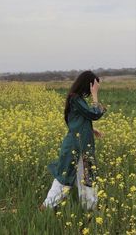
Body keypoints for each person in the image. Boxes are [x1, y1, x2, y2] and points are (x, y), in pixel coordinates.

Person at [40, 70, 107, 212]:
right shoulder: (75, 98)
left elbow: (76, 120)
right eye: (93, 87)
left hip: (83, 146)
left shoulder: (77, 99)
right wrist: (95, 94)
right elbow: (94, 114)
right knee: (64, 179)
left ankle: (91, 211)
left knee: (88, 180)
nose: (92, 91)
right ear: (88, 85)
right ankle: (45, 208)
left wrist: (91, 130)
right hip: (75, 147)